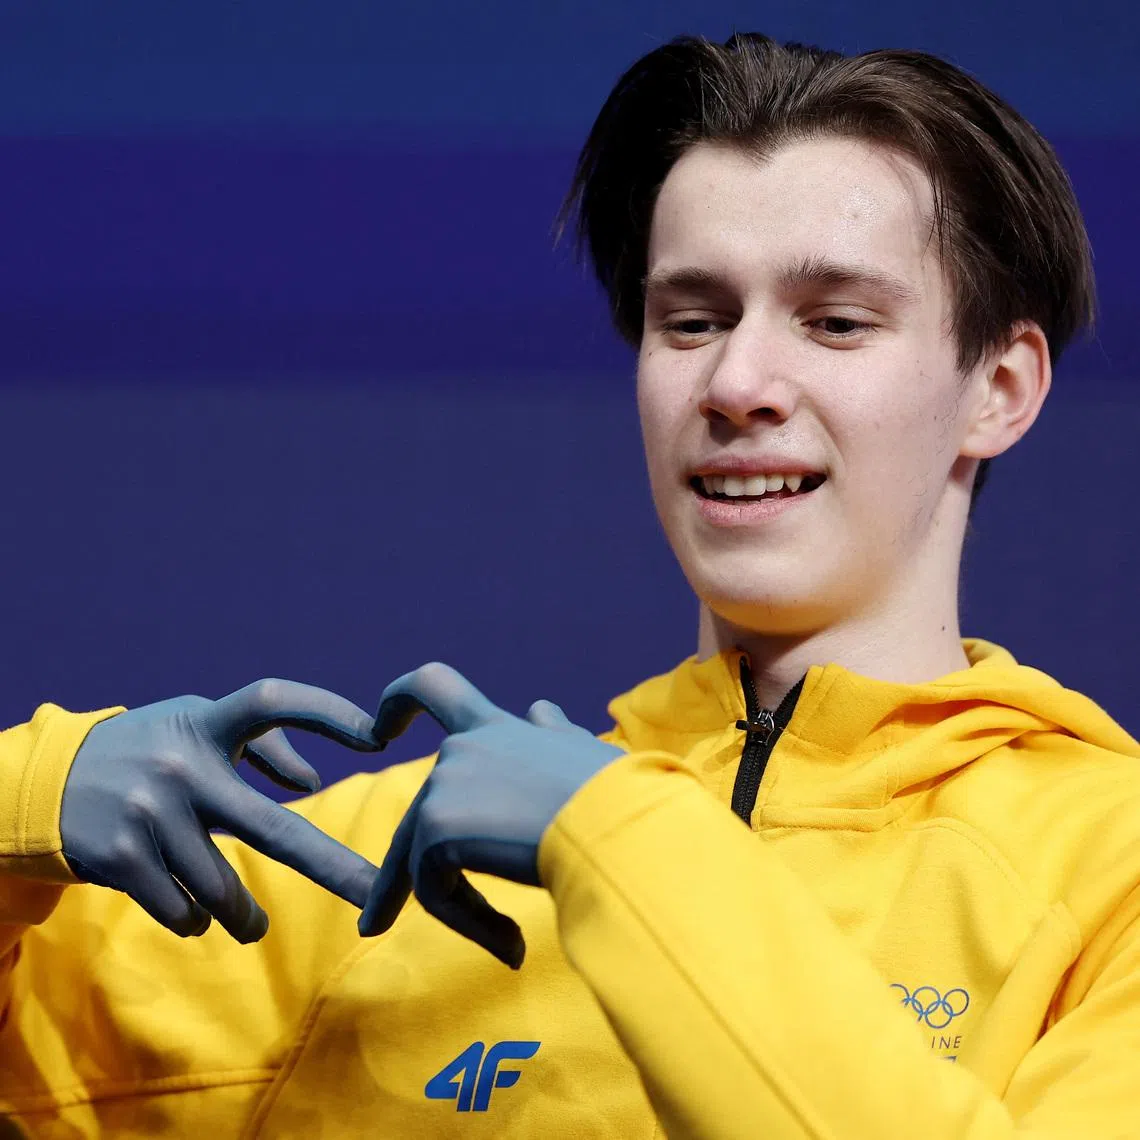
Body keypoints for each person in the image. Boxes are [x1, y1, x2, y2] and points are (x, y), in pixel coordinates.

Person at [1, 31, 1135, 1139]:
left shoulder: (1111, 872)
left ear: (999, 387)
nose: (737, 380)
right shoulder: (360, 883)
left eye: (835, 322)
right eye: (690, 320)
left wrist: (612, 843)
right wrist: (24, 802)